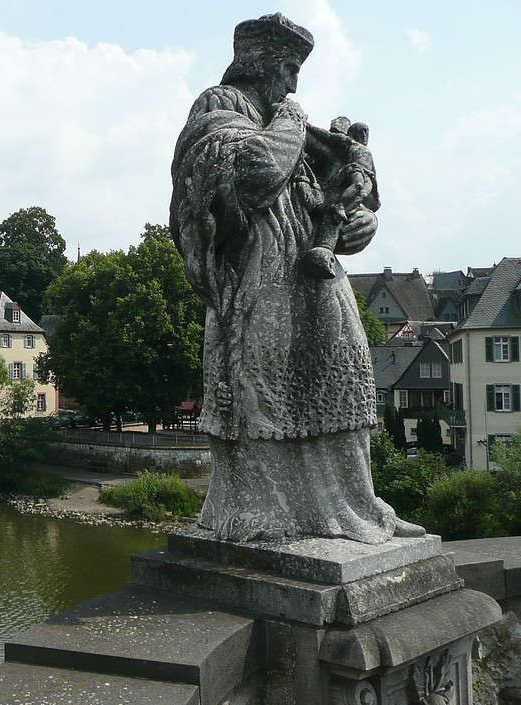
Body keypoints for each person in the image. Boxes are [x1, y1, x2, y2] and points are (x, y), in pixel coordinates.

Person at [169, 13, 423, 544]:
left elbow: (331, 190)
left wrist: (362, 223)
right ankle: (267, 513)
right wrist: (292, 120)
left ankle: (357, 504)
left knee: (347, 376)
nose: (293, 83)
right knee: (266, 395)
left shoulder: (289, 123)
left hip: (315, 279)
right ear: (259, 65)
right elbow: (256, 172)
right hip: (259, 286)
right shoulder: (219, 107)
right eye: (287, 69)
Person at [298, 117, 380, 279]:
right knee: (337, 206)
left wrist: (367, 218)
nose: (364, 136)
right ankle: (324, 248)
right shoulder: (345, 145)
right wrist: (302, 123)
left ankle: (325, 248)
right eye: (360, 132)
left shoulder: (362, 151)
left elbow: (369, 194)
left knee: (352, 196)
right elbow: (324, 137)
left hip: (356, 178)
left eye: (366, 132)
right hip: (338, 184)